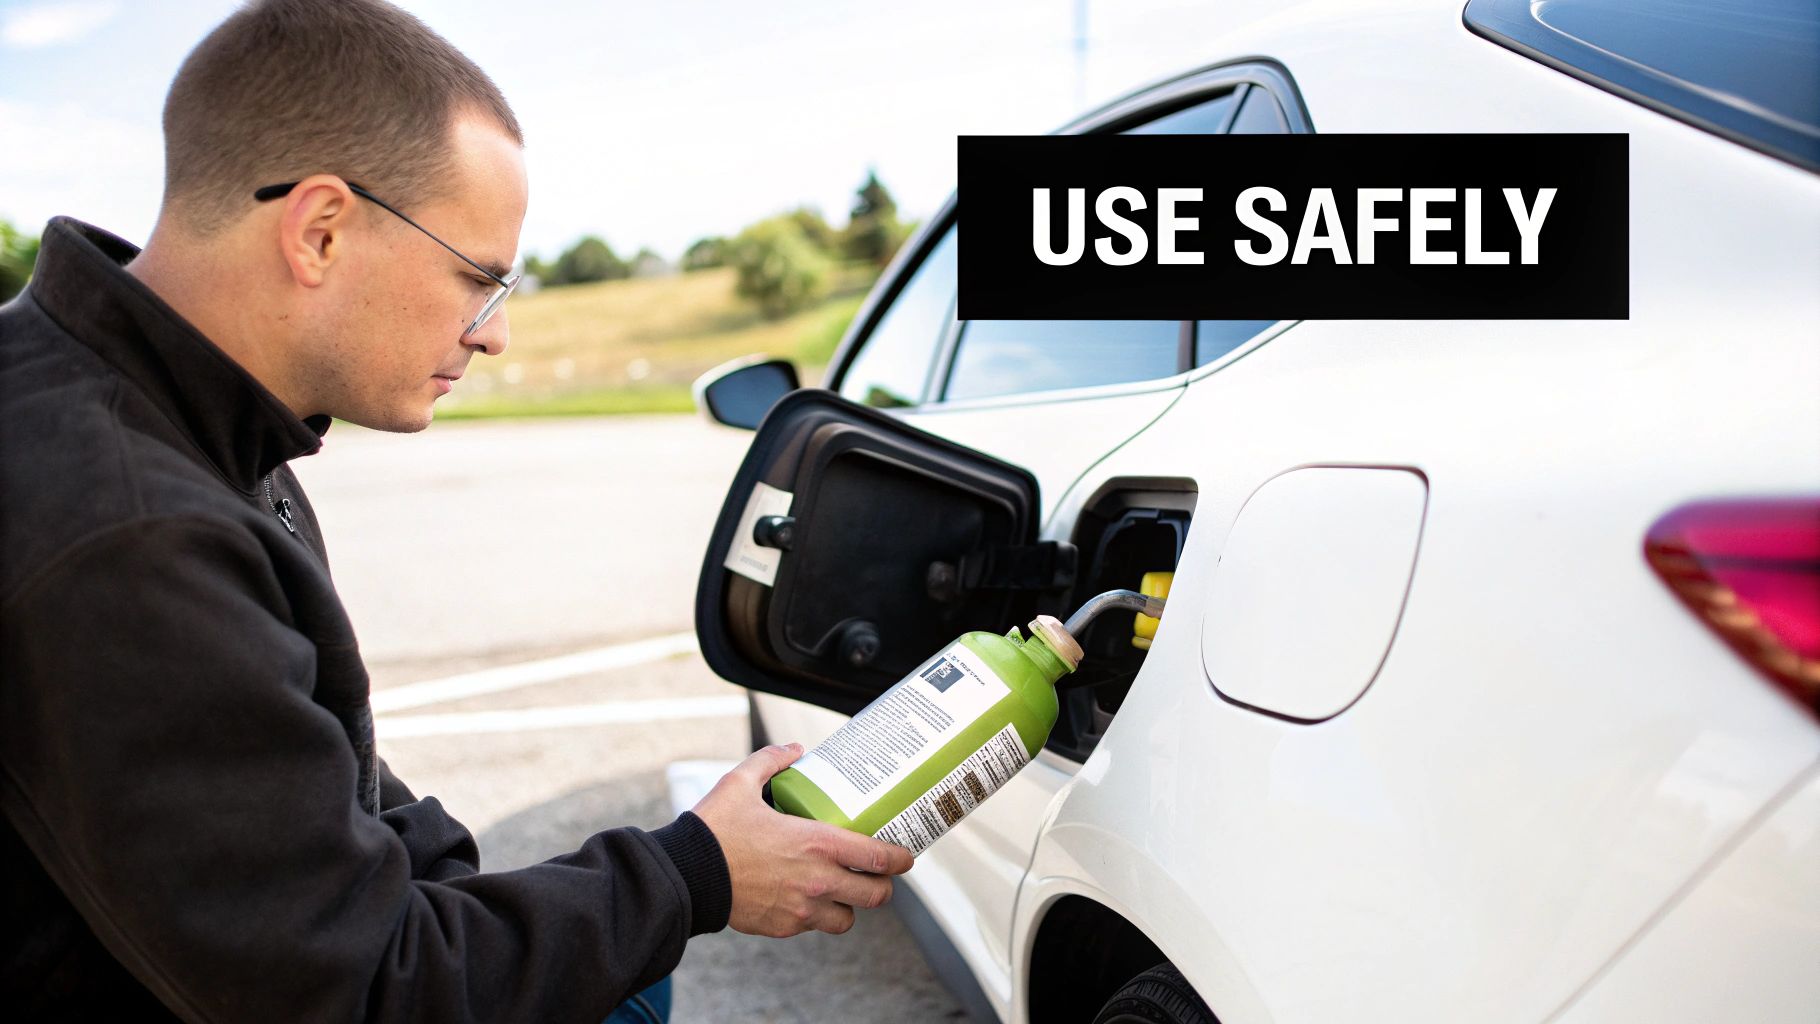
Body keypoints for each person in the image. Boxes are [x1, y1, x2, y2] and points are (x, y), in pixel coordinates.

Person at [0, 1, 913, 1021]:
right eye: (477, 277)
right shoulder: (131, 532)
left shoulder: (181, 418)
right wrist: (694, 873)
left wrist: (592, 898)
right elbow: (350, 991)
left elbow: (338, 791)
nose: (496, 335)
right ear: (320, 230)